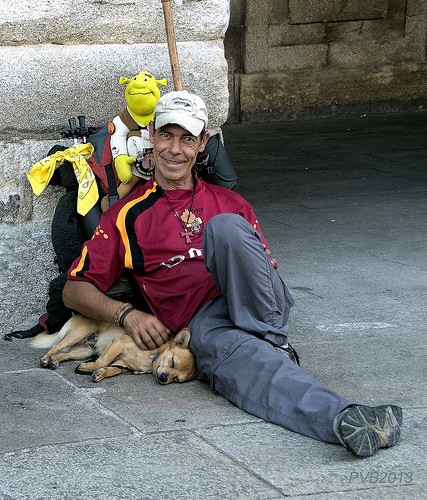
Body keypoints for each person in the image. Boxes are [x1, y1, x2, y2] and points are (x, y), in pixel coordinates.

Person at [63, 90, 402, 458]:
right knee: (245, 364)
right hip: (203, 322)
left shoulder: (230, 203)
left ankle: (265, 341)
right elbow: (74, 290)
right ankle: (344, 417)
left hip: (257, 304)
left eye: (187, 139)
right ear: (152, 135)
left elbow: (263, 272)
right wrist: (125, 314)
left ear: (202, 144)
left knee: (224, 228)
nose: (175, 150)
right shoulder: (126, 214)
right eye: (166, 136)